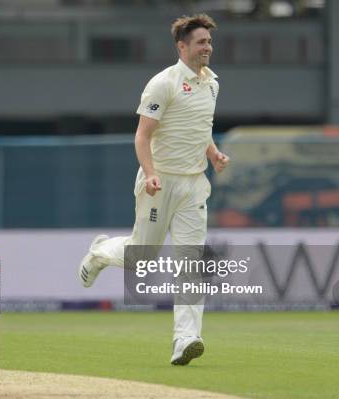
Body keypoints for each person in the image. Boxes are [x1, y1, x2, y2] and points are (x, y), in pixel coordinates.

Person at [78, 14, 229, 366]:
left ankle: (185, 340)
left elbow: (199, 126)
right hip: (160, 181)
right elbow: (142, 135)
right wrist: (149, 174)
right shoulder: (164, 83)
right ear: (182, 47)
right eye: (201, 42)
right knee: (142, 257)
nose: (208, 47)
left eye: (209, 41)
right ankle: (101, 251)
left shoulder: (212, 83)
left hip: (194, 185)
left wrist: (213, 153)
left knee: (191, 263)